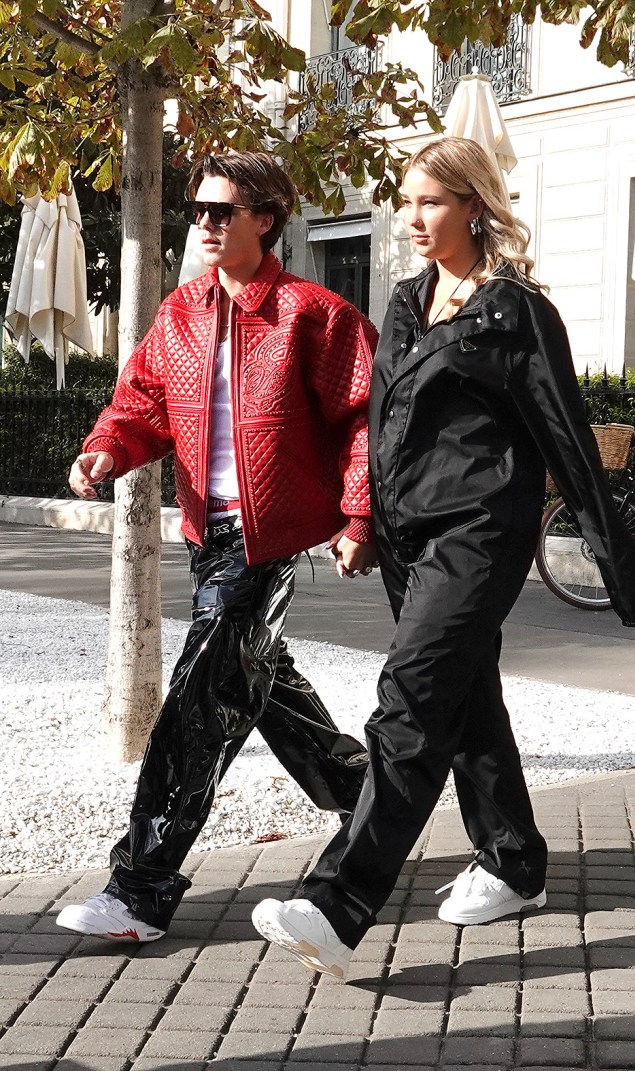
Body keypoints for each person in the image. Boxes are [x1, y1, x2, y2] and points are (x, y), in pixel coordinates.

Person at [251, 136, 635, 981]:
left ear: (475, 205)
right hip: (408, 538)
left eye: (429, 201)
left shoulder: (515, 311)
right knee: (466, 698)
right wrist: (363, 517)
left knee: (409, 699)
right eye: (405, 201)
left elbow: (566, 435)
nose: (410, 217)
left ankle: (340, 902)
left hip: (479, 534)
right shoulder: (406, 301)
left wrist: (622, 567)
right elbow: (382, 422)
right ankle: (514, 859)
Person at [56, 150, 378, 943]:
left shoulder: (313, 314)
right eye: (198, 210)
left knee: (199, 703)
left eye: (219, 210)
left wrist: (359, 516)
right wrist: (107, 446)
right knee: (257, 686)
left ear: (264, 219)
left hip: (265, 543)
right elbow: (143, 401)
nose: (203, 223)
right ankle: (372, 800)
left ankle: (140, 887)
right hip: (211, 534)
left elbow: (367, 418)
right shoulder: (182, 311)